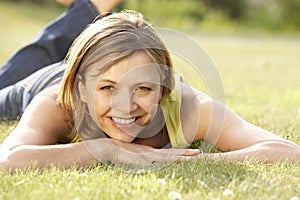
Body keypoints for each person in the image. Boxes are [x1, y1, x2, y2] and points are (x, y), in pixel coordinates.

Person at [0, 0, 300, 171]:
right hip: (40, 84)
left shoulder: (186, 109)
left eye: (143, 89)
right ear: (81, 90)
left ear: (164, 88)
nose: (125, 106)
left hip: (87, 68)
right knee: (23, 67)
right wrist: (105, 150)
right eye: (108, 89)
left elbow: (287, 151)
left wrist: (180, 162)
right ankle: (91, 7)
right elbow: (7, 161)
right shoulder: (58, 103)